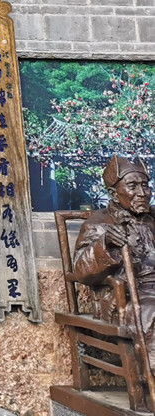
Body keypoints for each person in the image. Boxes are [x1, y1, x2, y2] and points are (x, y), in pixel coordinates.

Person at [73, 156, 155, 380]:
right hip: (126, 297)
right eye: (132, 186)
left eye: (145, 185)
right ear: (113, 193)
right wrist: (105, 244)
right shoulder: (99, 223)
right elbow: (80, 270)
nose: (142, 192)